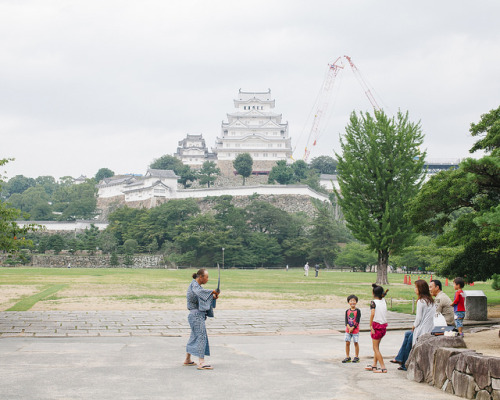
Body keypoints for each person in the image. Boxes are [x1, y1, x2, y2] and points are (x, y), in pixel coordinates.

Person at [390, 280, 435, 371]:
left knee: (410, 338)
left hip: (422, 330)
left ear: (420, 289)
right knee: (407, 334)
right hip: (429, 328)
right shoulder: (430, 301)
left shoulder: (421, 301)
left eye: (416, 287)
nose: (415, 289)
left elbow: (418, 319)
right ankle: (400, 359)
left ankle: (404, 363)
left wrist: (414, 326)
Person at [184, 268, 220, 370]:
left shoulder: (196, 286)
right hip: (196, 316)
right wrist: (212, 292)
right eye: (207, 277)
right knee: (201, 336)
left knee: (194, 336)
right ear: (201, 277)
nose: (208, 279)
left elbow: (201, 298)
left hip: (194, 315)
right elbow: (199, 293)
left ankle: (187, 359)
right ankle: (201, 362)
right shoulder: (195, 286)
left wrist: (212, 297)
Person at [365, 283, 389, 373]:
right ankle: (374, 365)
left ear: (373, 293)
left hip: (376, 326)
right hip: (383, 326)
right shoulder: (384, 301)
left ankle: (383, 367)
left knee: (375, 348)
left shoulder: (373, 302)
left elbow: (372, 313)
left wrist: (370, 325)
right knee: (377, 347)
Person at [342, 294, 361, 363]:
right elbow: (346, 320)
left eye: (354, 301)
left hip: (355, 330)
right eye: (351, 301)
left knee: (355, 342)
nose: (352, 302)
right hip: (348, 330)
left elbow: (357, 320)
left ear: (356, 302)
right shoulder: (347, 311)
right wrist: (348, 327)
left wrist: (353, 327)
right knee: (347, 342)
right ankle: (347, 356)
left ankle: (356, 356)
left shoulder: (358, 311)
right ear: (348, 302)